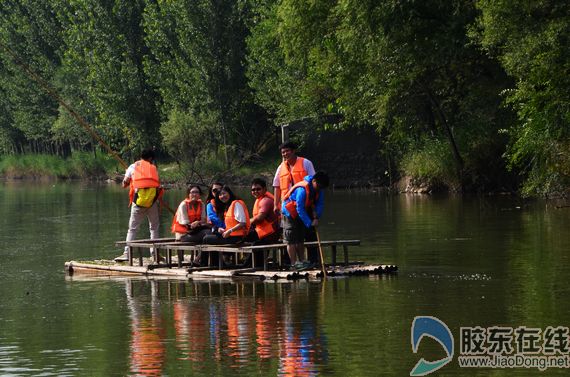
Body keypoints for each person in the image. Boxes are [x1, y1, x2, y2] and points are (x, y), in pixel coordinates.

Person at [272, 141, 319, 263]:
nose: (285, 154)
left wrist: (315, 206)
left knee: (307, 234)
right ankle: (294, 263)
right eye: (283, 152)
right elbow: (276, 186)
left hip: (305, 204)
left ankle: (311, 261)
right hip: (288, 206)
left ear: (294, 151)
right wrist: (275, 205)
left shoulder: (306, 163)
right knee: (291, 235)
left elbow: (314, 183)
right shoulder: (280, 167)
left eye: (287, 151)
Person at [115, 149, 162, 262]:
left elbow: (124, 184)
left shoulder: (132, 167)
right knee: (154, 228)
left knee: (132, 229)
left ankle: (126, 254)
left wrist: (129, 178)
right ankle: (154, 254)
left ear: (141, 156)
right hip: (152, 202)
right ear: (150, 158)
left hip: (138, 203)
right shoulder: (153, 168)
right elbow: (156, 185)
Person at [281, 172, 329, 270]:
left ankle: (302, 261)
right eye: (319, 186)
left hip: (302, 213)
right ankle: (293, 264)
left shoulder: (319, 190)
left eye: (322, 187)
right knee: (291, 239)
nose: (320, 189)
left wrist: (316, 217)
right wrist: (309, 223)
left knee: (300, 237)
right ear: (314, 181)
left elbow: (320, 204)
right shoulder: (302, 189)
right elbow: (300, 208)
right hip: (290, 212)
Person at [202, 186, 250, 265]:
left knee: (206, 239)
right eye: (220, 195)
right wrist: (223, 230)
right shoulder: (228, 206)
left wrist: (230, 231)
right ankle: (215, 263)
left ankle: (204, 264)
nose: (222, 196)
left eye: (224, 193)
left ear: (229, 193)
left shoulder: (236, 203)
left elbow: (242, 223)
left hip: (238, 237)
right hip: (231, 235)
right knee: (212, 236)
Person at [242, 178, 280, 267]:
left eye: (258, 189)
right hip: (262, 231)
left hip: (270, 233)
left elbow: (259, 218)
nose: (255, 191)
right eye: (253, 190)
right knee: (241, 235)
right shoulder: (259, 199)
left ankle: (248, 265)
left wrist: (245, 222)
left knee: (242, 236)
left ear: (264, 189)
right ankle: (243, 262)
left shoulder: (266, 200)